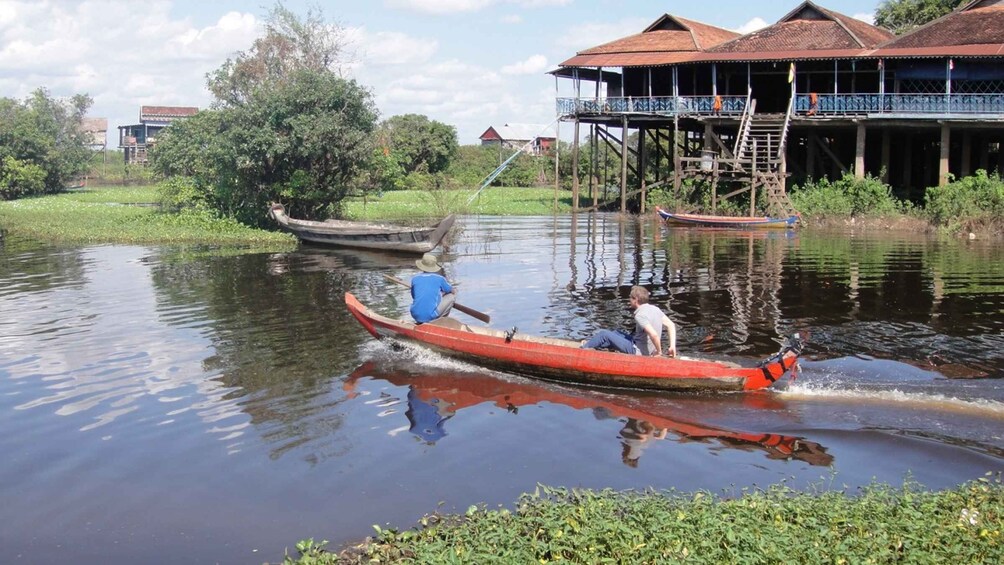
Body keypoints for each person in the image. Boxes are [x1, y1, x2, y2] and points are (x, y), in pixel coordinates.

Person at [581, 286, 677, 357]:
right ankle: (596, 346)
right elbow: (671, 325)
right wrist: (672, 346)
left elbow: (654, 335)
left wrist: (659, 352)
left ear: (636, 300)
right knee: (615, 333)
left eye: (630, 298)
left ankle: (583, 349)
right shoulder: (655, 309)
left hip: (639, 352)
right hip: (642, 345)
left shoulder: (640, 315)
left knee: (604, 334)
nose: (629, 300)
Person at [410, 253, 456, 324]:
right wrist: (447, 292)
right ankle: (440, 321)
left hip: (414, 314)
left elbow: (414, 296)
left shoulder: (415, 279)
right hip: (430, 316)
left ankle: (420, 322)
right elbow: (451, 291)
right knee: (451, 297)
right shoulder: (440, 279)